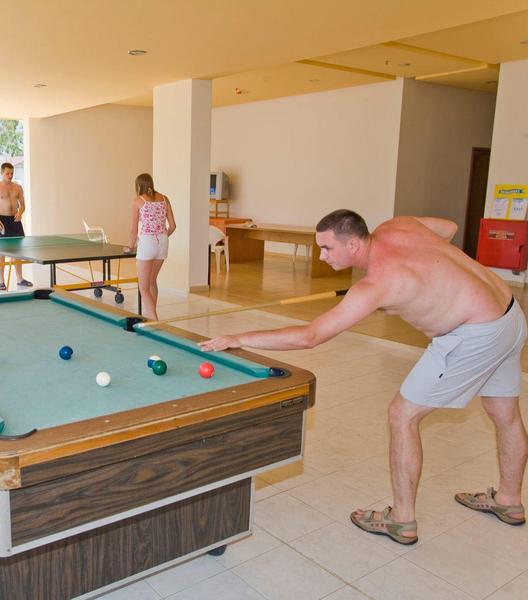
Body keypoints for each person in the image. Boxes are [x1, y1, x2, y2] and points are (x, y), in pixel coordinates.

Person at [199, 209, 527, 544]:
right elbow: (449, 227)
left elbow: (311, 336)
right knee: (504, 413)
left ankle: (401, 520)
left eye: (327, 248)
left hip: (474, 333)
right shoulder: (397, 226)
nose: (322, 256)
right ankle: (509, 501)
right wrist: (425, 267)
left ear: (354, 245)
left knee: (402, 415)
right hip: (509, 315)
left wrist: (239, 338)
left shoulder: (376, 285)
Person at [124, 173, 176, 321]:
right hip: (163, 241)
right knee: (152, 281)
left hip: (147, 242)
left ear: (138, 186)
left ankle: (154, 319)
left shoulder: (138, 201)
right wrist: (162, 237)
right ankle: (151, 317)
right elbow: (173, 226)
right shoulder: (164, 199)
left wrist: (130, 246)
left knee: (143, 287)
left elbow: (134, 230)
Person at [0, 162, 32, 290]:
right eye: (7, 173)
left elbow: (22, 205)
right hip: (2, 221)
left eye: (12, 173)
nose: (10, 176)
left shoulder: (18, 188)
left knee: (18, 251)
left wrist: (20, 213)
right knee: (1, 252)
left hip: (15, 221)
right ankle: (1, 281)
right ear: (1, 173)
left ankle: (20, 279)